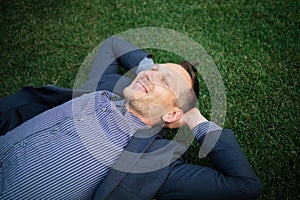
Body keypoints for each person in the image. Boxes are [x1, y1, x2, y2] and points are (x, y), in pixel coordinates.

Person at [0, 37, 263, 199]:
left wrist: (193, 117)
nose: (150, 75)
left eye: (165, 82)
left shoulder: (154, 161)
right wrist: (150, 72)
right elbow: (114, 44)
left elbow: (244, 185)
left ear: (172, 113)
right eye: (153, 71)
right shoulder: (107, 84)